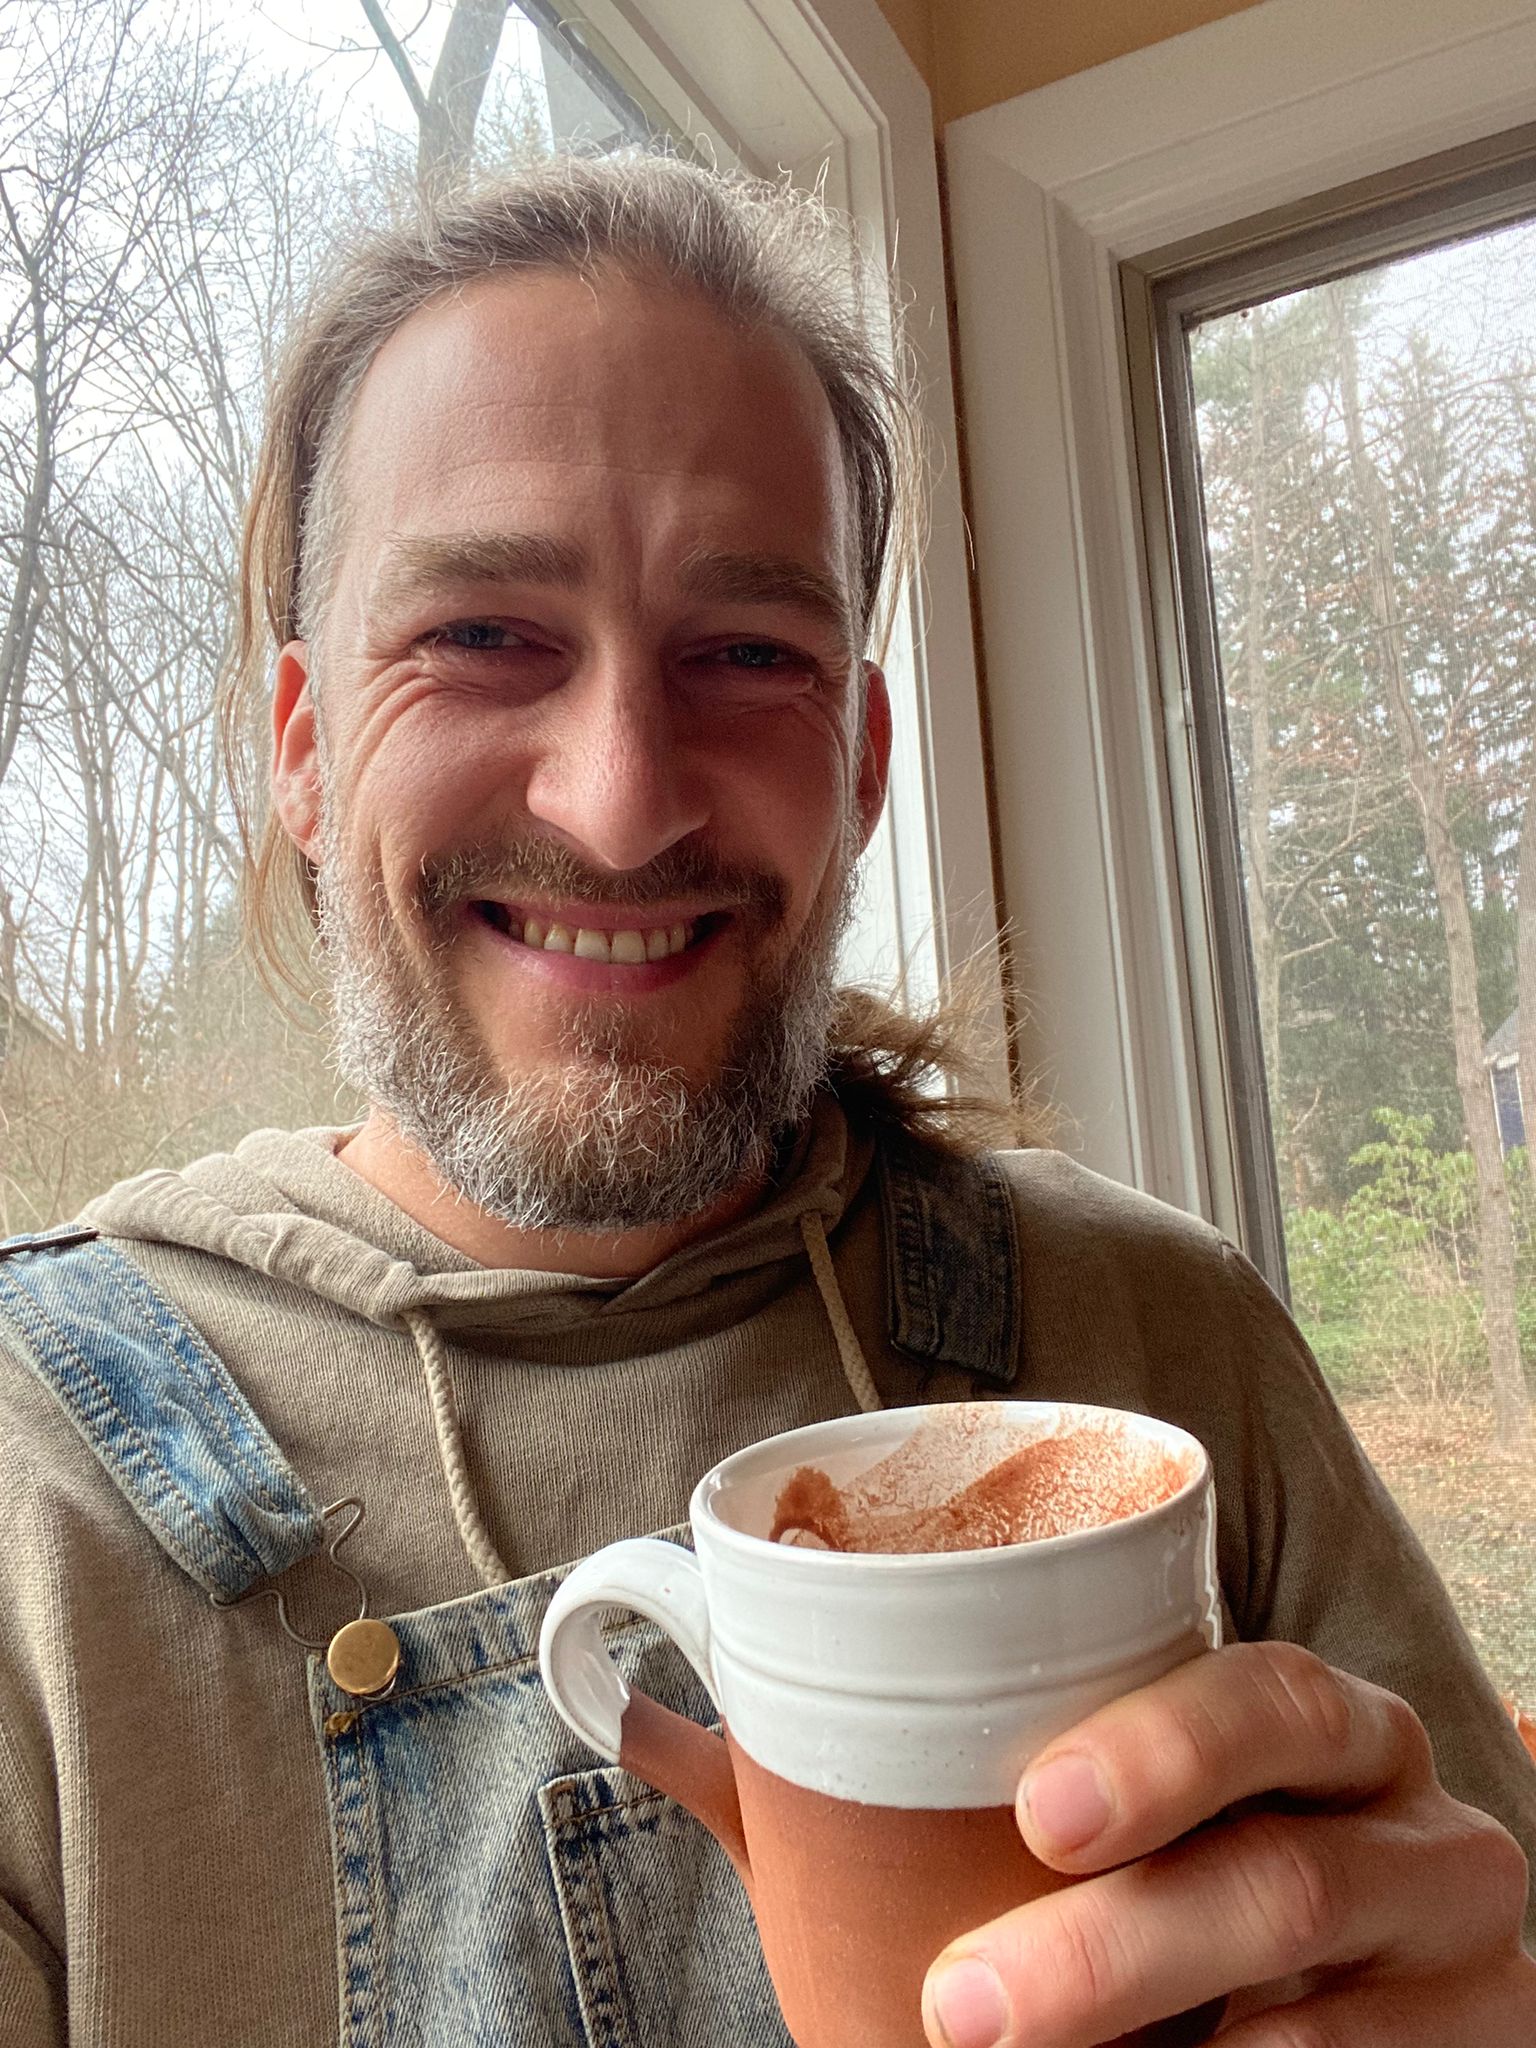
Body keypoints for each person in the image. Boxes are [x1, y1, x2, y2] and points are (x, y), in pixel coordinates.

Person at [0, 153, 1530, 2048]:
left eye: (747, 655)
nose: (623, 800)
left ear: (862, 760)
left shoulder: (1168, 1341)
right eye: (483, 636)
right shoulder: (28, 1493)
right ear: (307, 753)